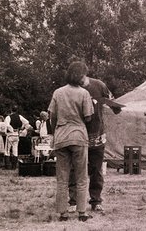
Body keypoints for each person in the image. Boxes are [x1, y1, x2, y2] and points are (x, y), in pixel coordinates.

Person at [68, 71, 121, 213]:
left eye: (80, 78)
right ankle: (73, 201)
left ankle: (96, 200)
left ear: (85, 74)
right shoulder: (71, 89)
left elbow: (114, 104)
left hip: (97, 134)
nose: (78, 82)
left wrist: (116, 106)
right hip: (78, 135)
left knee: (96, 170)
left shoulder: (99, 85)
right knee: (75, 169)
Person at [48, 61, 94, 222]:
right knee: (81, 176)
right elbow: (88, 117)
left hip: (61, 136)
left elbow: (52, 117)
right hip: (78, 136)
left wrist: (55, 133)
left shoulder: (58, 92)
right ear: (80, 76)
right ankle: (82, 212)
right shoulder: (84, 93)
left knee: (62, 177)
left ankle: (63, 212)